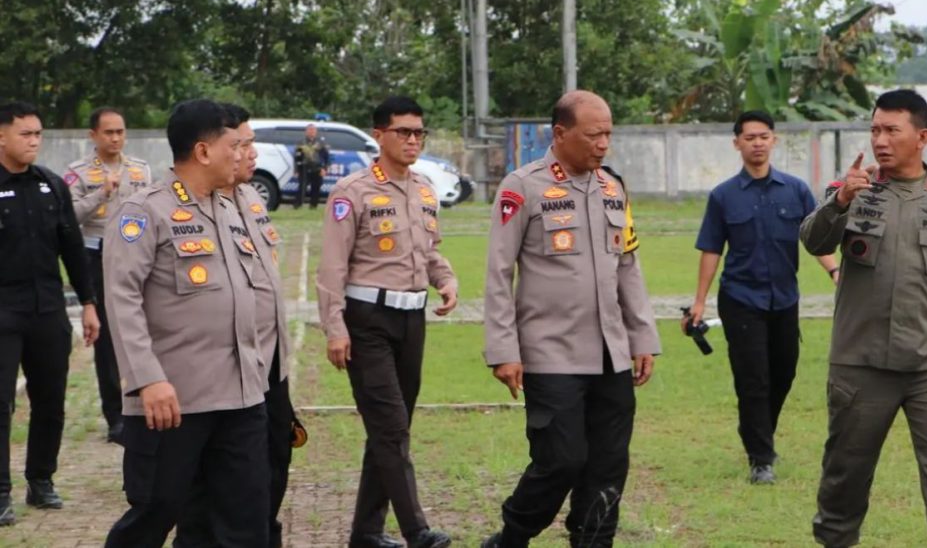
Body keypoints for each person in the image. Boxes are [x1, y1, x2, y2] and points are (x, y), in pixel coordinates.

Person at [800, 89, 927, 548]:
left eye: (892, 130)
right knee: (843, 485)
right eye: (875, 129)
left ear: (922, 136)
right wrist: (838, 202)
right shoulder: (852, 190)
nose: (880, 140)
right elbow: (813, 243)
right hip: (860, 366)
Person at [482, 90, 661, 548]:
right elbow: (499, 273)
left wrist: (643, 337)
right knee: (561, 460)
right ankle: (513, 535)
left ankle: (593, 541)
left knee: (608, 464)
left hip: (611, 353)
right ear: (560, 134)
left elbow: (628, 266)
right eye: (593, 135)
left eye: (608, 134)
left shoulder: (612, 188)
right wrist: (503, 350)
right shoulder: (522, 187)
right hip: (550, 353)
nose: (603, 144)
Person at [103, 99, 268, 548]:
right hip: (174, 399)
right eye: (233, 145)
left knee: (246, 520)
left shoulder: (232, 209)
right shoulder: (144, 212)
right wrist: (147, 379)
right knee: (156, 512)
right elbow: (122, 300)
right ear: (202, 151)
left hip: (241, 397)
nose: (242, 154)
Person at [317, 96, 458, 548]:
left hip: (411, 319)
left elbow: (430, 249)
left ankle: (366, 534)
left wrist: (446, 279)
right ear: (379, 135)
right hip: (368, 321)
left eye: (419, 133)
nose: (413, 140)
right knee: (392, 428)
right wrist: (335, 328)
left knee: (389, 430)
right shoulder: (352, 192)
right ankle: (417, 531)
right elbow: (332, 268)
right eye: (404, 132)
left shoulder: (424, 189)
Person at [688, 110, 839, 485]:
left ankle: (757, 434)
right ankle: (761, 457)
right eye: (750, 137)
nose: (757, 143)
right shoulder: (723, 196)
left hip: (784, 298)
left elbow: (815, 237)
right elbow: (711, 250)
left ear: (774, 140)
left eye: (764, 136)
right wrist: (699, 302)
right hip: (740, 298)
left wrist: (835, 271)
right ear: (737, 143)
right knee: (752, 378)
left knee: (783, 372)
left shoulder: (796, 190)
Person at [173, 104, 293, 548]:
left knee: (272, 461)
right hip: (227, 366)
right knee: (219, 483)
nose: (250, 153)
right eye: (239, 144)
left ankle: (265, 532)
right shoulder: (202, 204)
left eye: (249, 144)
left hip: (270, 360)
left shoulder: (252, 198)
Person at [0, 101, 99, 526]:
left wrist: (89, 303)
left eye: (38, 134)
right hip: (3, 313)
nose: (34, 141)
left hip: (48, 311)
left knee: (51, 403)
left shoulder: (52, 186)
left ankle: (41, 480)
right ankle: (0, 493)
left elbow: (73, 250)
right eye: (26, 134)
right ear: (2, 136)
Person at [64, 106, 152, 444]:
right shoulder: (78, 173)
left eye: (120, 131)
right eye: (108, 132)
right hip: (96, 255)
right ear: (93, 136)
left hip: (135, 256)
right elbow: (68, 217)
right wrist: (102, 193)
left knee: (141, 329)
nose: (115, 138)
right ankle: (115, 416)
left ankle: (143, 403)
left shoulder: (140, 170)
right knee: (107, 339)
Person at [294, 122, 329, 209]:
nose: (311, 132)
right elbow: (296, 157)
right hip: (304, 168)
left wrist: (324, 169)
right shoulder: (301, 142)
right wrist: (296, 170)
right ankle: (298, 206)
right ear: (306, 131)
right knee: (302, 188)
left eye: (313, 130)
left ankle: (313, 206)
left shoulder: (320, 143)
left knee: (316, 188)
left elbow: (326, 157)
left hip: (317, 168)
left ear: (316, 132)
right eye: (310, 130)